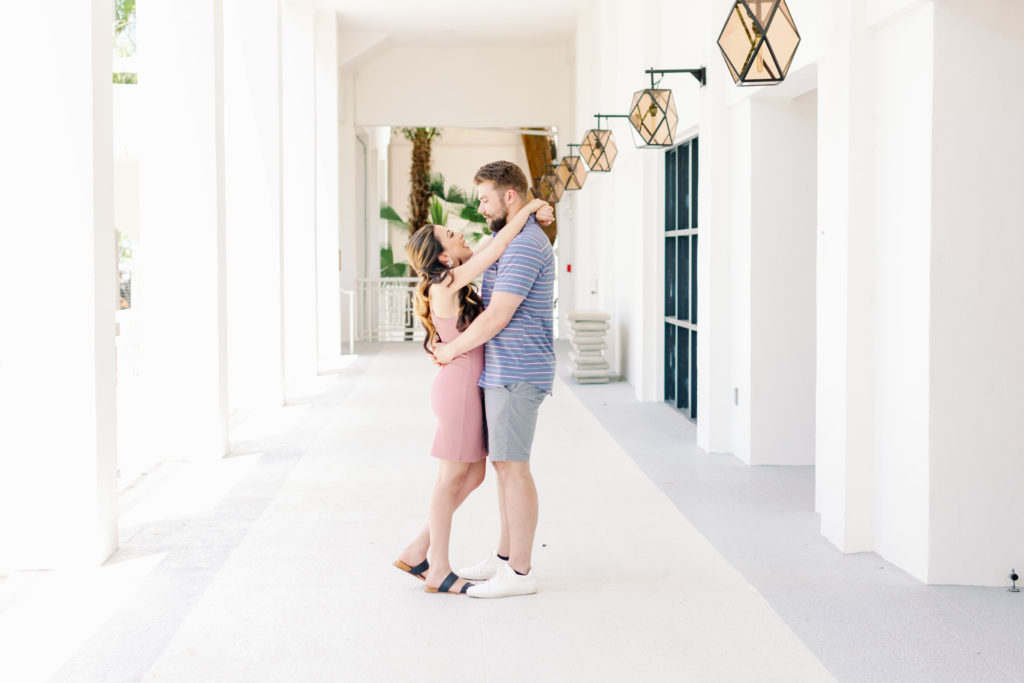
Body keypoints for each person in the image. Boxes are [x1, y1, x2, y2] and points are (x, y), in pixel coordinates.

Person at [393, 196, 553, 595]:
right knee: (449, 480)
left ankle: (417, 550)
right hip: (459, 390)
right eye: (450, 234)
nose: (459, 232)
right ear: (444, 258)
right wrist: (531, 204)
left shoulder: (450, 275)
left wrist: (534, 211)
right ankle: (439, 569)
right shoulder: (448, 281)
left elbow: (490, 242)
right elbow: (497, 246)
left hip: (464, 386)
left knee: (475, 474)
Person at [433, 161, 556, 599]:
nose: (480, 208)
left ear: (509, 196)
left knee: (514, 468)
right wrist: (536, 207)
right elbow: (493, 245)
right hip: (502, 371)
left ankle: (520, 574)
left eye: (485, 199)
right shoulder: (511, 240)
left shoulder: (524, 247)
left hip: (518, 371)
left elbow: (499, 315)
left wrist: (451, 349)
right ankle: (504, 558)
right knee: (504, 467)